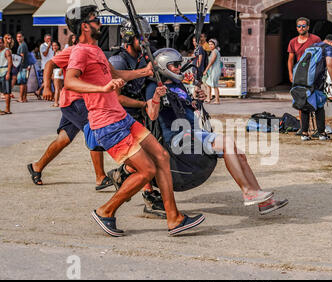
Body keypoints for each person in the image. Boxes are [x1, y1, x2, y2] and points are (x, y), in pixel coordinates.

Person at [64, 5, 204, 237]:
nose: (99, 22)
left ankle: (174, 219)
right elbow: (70, 81)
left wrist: (144, 72)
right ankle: (105, 211)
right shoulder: (80, 52)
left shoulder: (96, 50)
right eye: (95, 19)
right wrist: (101, 88)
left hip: (122, 118)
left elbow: (116, 75)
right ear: (85, 26)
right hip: (106, 123)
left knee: (161, 155)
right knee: (147, 170)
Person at [146, 48, 289, 215]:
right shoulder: (154, 86)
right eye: (174, 65)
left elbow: (185, 107)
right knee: (227, 141)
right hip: (178, 137)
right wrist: (156, 97)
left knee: (239, 154)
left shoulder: (177, 84)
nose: (179, 68)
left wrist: (195, 99)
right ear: (163, 66)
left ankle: (264, 202)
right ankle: (247, 192)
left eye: (179, 64)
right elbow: (152, 114)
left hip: (195, 132)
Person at [28, 37, 113, 191]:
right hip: (74, 101)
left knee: (63, 140)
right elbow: (49, 64)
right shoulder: (73, 51)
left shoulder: (95, 52)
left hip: (83, 101)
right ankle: (100, 177)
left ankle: (37, 166)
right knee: (94, 129)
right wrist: (47, 86)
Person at [108, 20, 165, 218]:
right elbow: (117, 98)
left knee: (153, 154)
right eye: (142, 38)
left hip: (138, 114)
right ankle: (148, 197)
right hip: (121, 117)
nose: (146, 41)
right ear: (129, 38)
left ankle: (121, 173)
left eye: (147, 37)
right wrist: (144, 104)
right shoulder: (118, 62)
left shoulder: (142, 59)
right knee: (147, 159)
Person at [298, 35, 332, 141]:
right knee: (319, 106)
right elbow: (329, 65)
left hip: (303, 80)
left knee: (305, 105)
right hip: (316, 81)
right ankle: (321, 133)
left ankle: (304, 133)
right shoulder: (328, 48)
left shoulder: (311, 46)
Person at [287, 17, 321, 126]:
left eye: (303, 26)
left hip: (312, 73)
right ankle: (303, 126)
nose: (301, 28)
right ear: (296, 28)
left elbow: (321, 56)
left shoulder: (315, 39)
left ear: (308, 27)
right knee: (300, 98)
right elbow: (290, 59)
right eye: (299, 26)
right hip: (299, 74)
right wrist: (290, 74)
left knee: (314, 98)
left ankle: (317, 126)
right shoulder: (293, 42)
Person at [203, 39, 221, 104]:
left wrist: (206, 70)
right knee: (208, 84)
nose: (210, 46)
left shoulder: (215, 52)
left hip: (215, 70)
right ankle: (208, 98)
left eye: (212, 44)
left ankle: (217, 100)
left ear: (215, 45)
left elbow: (211, 62)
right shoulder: (213, 51)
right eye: (209, 44)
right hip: (212, 70)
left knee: (215, 85)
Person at [16, 32, 30, 103]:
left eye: (20, 37)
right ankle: (24, 98)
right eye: (17, 37)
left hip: (22, 67)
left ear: (23, 37)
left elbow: (22, 57)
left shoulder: (22, 46)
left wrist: (19, 66)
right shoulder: (24, 45)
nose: (18, 38)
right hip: (25, 66)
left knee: (22, 83)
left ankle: (21, 98)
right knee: (24, 83)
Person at [0, 36, 13, 115]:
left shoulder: (6, 51)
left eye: (0, 43)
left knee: (7, 92)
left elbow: (10, 62)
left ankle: (7, 109)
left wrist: (8, 73)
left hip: (5, 73)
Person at [4, 34, 17, 100]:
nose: (10, 39)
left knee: (13, 77)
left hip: (11, 64)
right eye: (8, 38)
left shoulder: (10, 47)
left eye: (10, 38)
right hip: (5, 65)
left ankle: (8, 91)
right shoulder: (4, 47)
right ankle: (5, 92)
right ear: (5, 39)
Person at [51, 41, 63, 107]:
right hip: (56, 71)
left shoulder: (59, 53)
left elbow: (63, 62)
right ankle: (61, 102)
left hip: (58, 71)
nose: (54, 47)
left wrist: (61, 69)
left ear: (58, 46)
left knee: (57, 88)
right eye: (53, 46)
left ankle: (56, 102)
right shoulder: (55, 53)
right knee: (60, 88)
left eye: (55, 45)